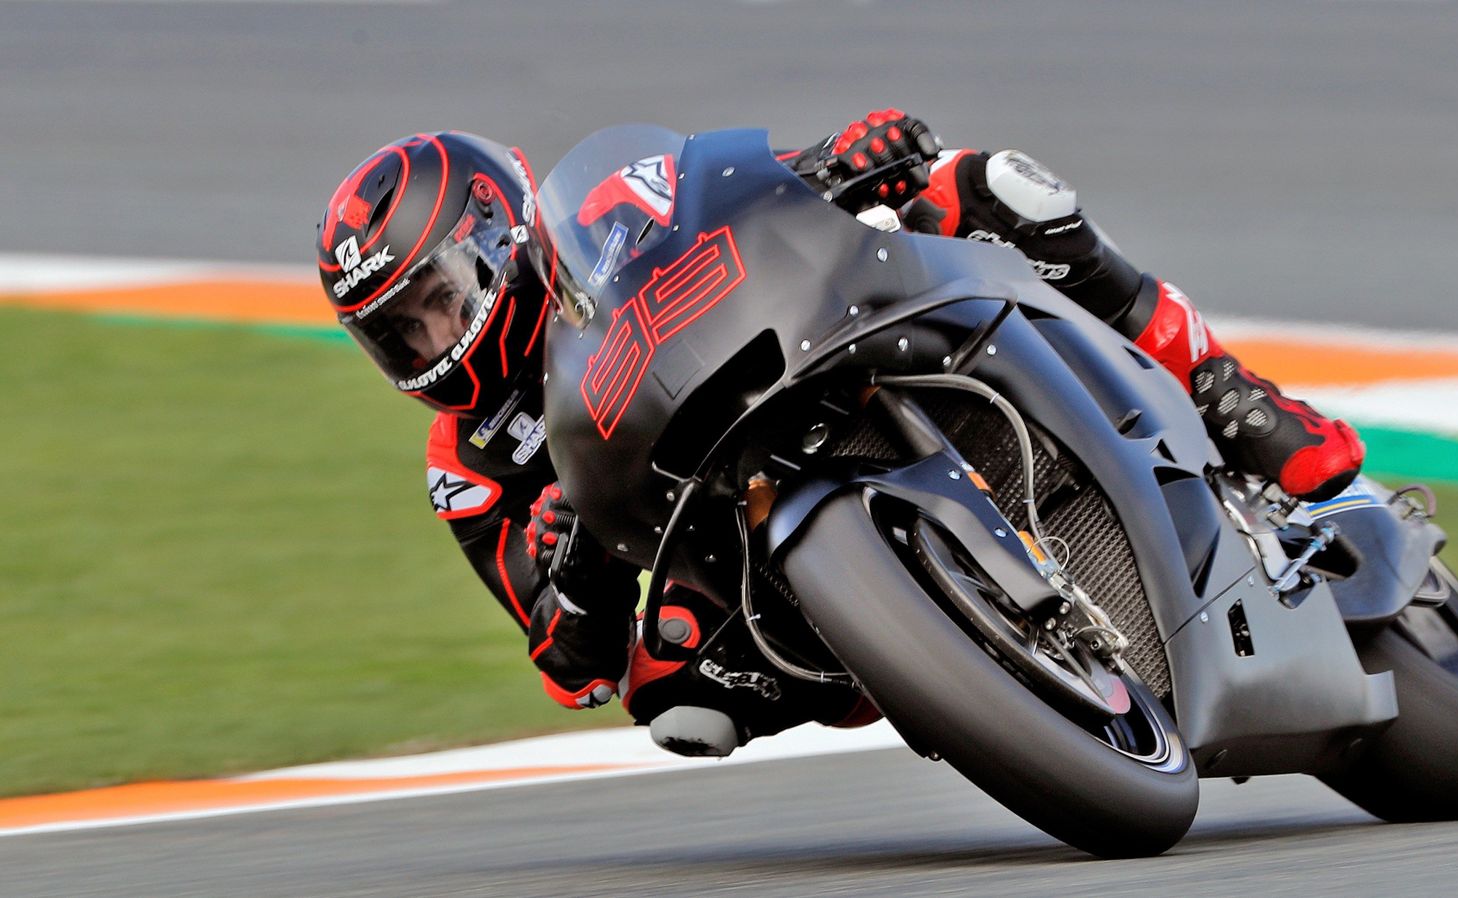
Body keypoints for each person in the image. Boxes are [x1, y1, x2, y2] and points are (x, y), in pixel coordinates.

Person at [315, 112, 1364, 755]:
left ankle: (1221, 386)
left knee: (986, 185)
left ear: (501, 235)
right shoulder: (467, 465)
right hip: (720, 551)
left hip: (798, 347)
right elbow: (570, 666)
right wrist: (570, 569)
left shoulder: (603, 203)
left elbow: (746, 191)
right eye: (397, 333)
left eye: (438, 301)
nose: (430, 342)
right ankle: (919, 652)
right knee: (674, 692)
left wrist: (843, 158)